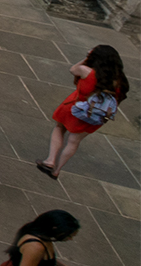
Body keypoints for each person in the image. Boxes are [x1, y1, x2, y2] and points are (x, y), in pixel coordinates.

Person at [40, 45, 128, 179]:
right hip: (96, 116)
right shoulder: (120, 81)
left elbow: (73, 69)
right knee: (74, 142)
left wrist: (87, 57)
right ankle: (57, 170)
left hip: (75, 108)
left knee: (59, 128)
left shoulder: (86, 71)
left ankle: (50, 160)